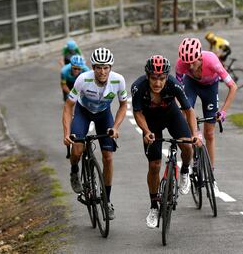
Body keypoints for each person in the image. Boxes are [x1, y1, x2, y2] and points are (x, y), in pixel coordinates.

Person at [131, 55, 201, 229]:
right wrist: (146, 132)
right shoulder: (138, 88)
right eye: (154, 78)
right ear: (147, 76)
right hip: (151, 123)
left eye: (162, 78)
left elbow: (188, 110)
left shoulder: (174, 85)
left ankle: (185, 170)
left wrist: (194, 134)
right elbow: (138, 113)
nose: (158, 83)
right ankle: (154, 206)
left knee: (186, 145)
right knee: (154, 165)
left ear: (166, 77)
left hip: (172, 116)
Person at [62, 47, 127, 220]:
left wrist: (116, 127)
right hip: (83, 112)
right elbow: (69, 107)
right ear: (93, 67)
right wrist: (67, 133)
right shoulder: (83, 79)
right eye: (98, 67)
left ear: (110, 68)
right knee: (76, 150)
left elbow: (123, 105)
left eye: (106, 67)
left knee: (108, 157)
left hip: (104, 115)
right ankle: (75, 170)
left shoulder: (118, 80)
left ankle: (107, 200)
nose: (102, 71)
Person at [176, 37, 237, 193]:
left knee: (209, 133)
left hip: (210, 88)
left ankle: (211, 177)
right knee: (186, 113)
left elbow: (233, 87)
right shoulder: (181, 64)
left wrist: (223, 112)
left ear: (200, 57)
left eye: (193, 62)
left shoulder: (212, 60)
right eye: (186, 62)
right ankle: (190, 162)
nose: (190, 66)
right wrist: (187, 115)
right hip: (191, 86)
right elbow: (178, 92)